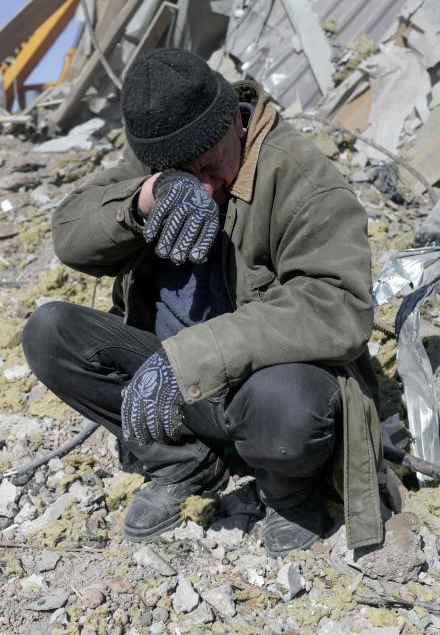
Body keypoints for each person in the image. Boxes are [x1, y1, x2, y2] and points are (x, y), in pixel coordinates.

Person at [22, 48, 384, 557]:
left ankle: (288, 489)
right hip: (178, 384)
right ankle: (186, 463)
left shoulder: (300, 176)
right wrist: (148, 196)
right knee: (49, 331)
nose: (205, 187)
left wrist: (191, 357)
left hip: (256, 386)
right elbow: (69, 235)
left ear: (233, 125)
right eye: (184, 173)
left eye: (213, 166)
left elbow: (339, 307)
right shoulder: (162, 161)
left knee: (288, 409)